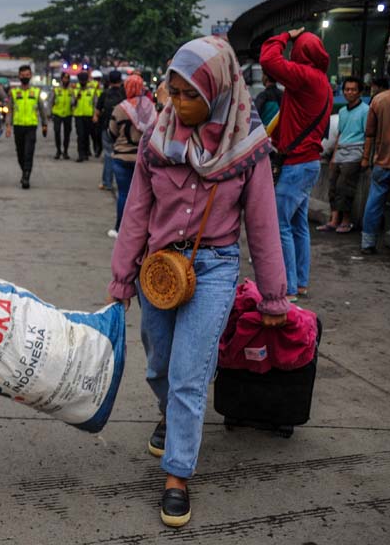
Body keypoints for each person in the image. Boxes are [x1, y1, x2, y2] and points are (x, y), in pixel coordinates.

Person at [109, 36, 289, 528]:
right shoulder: (155, 139)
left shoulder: (246, 147)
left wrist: (275, 295)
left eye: (191, 94)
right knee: (159, 363)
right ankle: (169, 416)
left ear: (218, 93)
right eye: (174, 91)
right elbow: (136, 215)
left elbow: (263, 222)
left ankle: (176, 474)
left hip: (214, 268)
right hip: (160, 269)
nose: (179, 103)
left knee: (190, 371)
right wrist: (121, 279)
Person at [260, 27, 332, 301]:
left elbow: (268, 59)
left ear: (302, 53)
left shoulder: (305, 77)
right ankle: (300, 281)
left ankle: (288, 287)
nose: (290, 53)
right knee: (299, 225)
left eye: (295, 49)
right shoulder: (321, 81)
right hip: (309, 163)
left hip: (298, 165)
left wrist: (284, 35)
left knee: (280, 225)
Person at [106, 73, 156, 238]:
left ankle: (119, 228)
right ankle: (141, 231)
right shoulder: (149, 107)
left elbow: (111, 133)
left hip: (121, 158)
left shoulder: (120, 108)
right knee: (143, 197)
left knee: (124, 194)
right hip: (143, 159)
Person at [316, 76, 368, 233]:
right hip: (340, 151)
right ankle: (333, 220)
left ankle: (346, 221)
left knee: (345, 187)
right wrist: (333, 156)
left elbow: (368, 135)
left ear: (359, 92)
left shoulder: (366, 110)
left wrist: (365, 157)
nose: (349, 92)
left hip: (355, 152)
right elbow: (340, 134)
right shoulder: (343, 111)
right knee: (332, 186)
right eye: (346, 89)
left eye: (353, 89)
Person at [360, 55, 390, 254]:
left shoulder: (378, 100)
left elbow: (370, 135)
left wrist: (365, 159)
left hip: (382, 163)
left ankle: (367, 243)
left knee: (373, 204)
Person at [5, 65, 48, 189]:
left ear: (31, 76)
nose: (25, 77)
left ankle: (26, 176)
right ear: (19, 76)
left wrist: (45, 124)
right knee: (20, 153)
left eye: (27, 75)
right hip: (18, 126)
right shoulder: (13, 92)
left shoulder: (36, 92)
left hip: (31, 126)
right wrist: (8, 125)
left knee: (28, 152)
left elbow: (42, 109)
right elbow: (10, 110)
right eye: (22, 75)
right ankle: (24, 171)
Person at [94, 70, 126, 191]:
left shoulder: (104, 94)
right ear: (121, 80)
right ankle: (119, 181)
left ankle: (107, 182)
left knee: (108, 154)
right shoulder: (124, 94)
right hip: (122, 129)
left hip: (106, 127)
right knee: (120, 155)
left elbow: (97, 112)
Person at [73, 71, 98, 162]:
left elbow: (95, 103)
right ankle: (80, 154)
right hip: (78, 115)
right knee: (80, 135)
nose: (82, 82)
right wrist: (76, 98)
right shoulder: (75, 90)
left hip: (89, 115)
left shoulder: (92, 90)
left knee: (86, 135)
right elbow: (72, 103)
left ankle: (86, 152)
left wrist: (95, 115)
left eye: (84, 80)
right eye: (81, 80)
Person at [50, 72, 74, 159]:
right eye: (64, 78)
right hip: (57, 113)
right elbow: (51, 101)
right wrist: (50, 113)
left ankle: (65, 151)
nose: (65, 80)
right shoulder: (56, 89)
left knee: (67, 133)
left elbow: (73, 102)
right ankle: (58, 150)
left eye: (67, 78)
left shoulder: (71, 90)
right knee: (57, 132)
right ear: (61, 79)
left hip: (68, 114)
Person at [89, 70, 105, 157]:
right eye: (95, 79)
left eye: (98, 79)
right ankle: (95, 147)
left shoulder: (103, 88)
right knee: (92, 133)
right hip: (92, 113)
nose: (96, 81)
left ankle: (99, 148)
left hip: (101, 113)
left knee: (99, 133)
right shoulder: (90, 88)